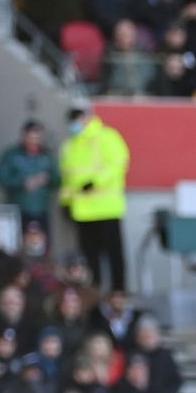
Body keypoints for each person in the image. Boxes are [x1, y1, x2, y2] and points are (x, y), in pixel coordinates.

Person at [59, 104, 130, 292]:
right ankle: (95, 293)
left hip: (107, 209)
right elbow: (67, 179)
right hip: (82, 211)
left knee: (114, 256)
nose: (75, 124)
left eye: (78, 119)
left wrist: (95, 182)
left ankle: (118, 293)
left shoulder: (108, 137)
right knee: (90, 258)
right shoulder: (69, 146)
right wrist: (65, 203)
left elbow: (118, 164)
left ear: (87, 118)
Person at [0, 121, 59, 237]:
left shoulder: (47, 155)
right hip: (18, 209)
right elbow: (1, 177)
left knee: (41, 245)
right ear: (24, 136)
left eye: (37, 138)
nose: (33, 141)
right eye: (30, 137)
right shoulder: (12, 154)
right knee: (18, 242)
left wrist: (47, 178)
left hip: (41, 209)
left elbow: (58, 180)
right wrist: (22, 183)